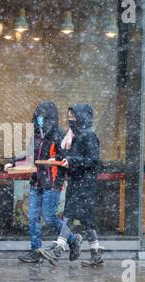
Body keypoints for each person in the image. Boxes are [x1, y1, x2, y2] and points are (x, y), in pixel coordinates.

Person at [4, 101, 83, 265]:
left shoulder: (59, 135)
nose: (40, 120)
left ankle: (73, 239)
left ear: (50, 118)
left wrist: (56, 160)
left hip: (53, 182)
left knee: (49, 217)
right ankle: (35, 250)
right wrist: (13, 162)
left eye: (42, 117)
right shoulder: (37, 136)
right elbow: (29, 155)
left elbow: (66, 159)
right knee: (33, 217)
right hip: (37, 181)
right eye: (38, 116)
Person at [44, 103, 104, 266]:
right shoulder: (73, 135)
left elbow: (93, 160)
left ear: (82, 117)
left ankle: (58, 250)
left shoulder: (89, 135)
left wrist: (71, 161)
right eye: (69, 117)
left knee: (70, 216)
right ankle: (96, 253)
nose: (70, 120)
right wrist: (57, 160)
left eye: (73, 117)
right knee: (86, 220)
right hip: (76, 181)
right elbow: (68, 156)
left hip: (85, 184)